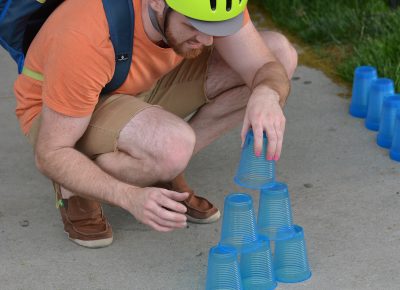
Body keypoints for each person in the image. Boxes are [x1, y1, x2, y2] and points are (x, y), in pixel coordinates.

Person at [13, 0, 297, 248]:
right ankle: (73, 186)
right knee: (171, 145)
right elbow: (50, 153)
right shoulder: (86, 37)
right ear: (156, 2)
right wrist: (130, 197)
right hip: (62, 110)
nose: (210, 40)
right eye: (194, 25)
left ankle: (161, 163)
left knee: (280, 56)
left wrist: (266, 92)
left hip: (138, 83)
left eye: (218, 26)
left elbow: (265, 65)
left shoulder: (210, 7)